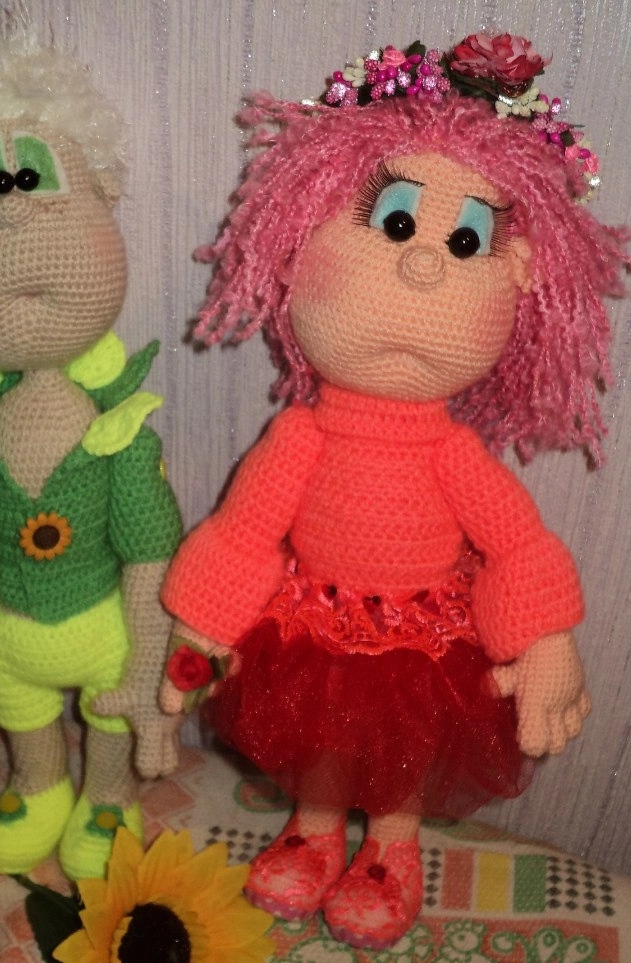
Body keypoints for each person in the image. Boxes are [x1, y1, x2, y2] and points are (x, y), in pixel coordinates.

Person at [160, 36, 629, 949]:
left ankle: (393, 846)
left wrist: (544, 641)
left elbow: (518, 544)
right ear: (306, 239)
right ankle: (313, 828)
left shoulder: (453, 454)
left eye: (466, 240)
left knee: (405, 750)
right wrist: (201, 628)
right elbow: (243, 531)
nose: (422, 266)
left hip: (424, 643)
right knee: (320, 744)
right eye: (396, 222)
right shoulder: (300, 438)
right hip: (311, 628)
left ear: (516, 275)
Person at [0, 25, 182, 881]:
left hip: (105, 629)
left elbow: (149, 553)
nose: (12, 207)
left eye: (35, 180)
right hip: (7, 633)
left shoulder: (120, 430)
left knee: (110, 709)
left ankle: (106, 791)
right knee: (18, 704)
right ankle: (38, 781)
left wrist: (149, 657)